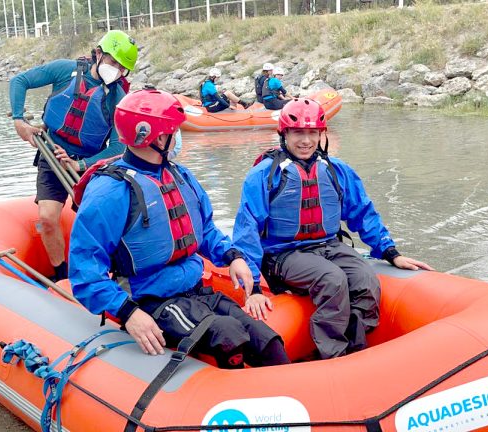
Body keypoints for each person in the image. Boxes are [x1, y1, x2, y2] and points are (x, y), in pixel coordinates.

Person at [69, 89, 290, 369]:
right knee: (228, 336)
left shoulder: (180, 176)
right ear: (158, 137)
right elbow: (84, 269)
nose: (177, 137)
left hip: (196, 291)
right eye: (174, 131)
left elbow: (206, 231)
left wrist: (233, 256)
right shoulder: (110, 192)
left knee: (266, 341)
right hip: (152, 302)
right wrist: (128, 313)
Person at [233, 98, 433, 359]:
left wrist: (390, 253)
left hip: (329, 246)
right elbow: (247, 230)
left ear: (321, 135)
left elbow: (363, 212)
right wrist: (255, 289)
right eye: (298, 133)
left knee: (366, 280)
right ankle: (334, 356)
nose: (306, 141)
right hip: (283, 255)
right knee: (332, 279)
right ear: (284, 134)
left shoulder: (336, 170)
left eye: (312, 133)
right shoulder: (263, 175)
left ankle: (355, 347)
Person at [9, 30, 138, 282]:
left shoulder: (118, 99)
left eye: (123, 68)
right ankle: (61, 276)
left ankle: (113, 275)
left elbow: (117, 148)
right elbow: (19, 81)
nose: (117, 71)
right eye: (113, 62)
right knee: (47, 219)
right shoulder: (63, 70)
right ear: (98, 54)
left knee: (99, 224)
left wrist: (81, 164)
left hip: (91, 165)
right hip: (52, 154)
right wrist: (18, 121)